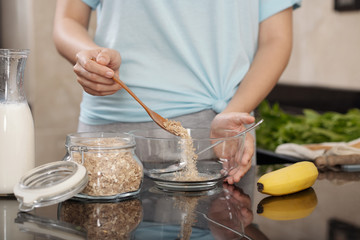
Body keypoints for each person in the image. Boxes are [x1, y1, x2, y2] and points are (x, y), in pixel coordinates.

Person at [53, 0, 301, 184]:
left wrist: (237, 110)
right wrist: (91, 58)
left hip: (217, 132)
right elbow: (68, 20)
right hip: (108, 138)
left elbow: (276, 39)